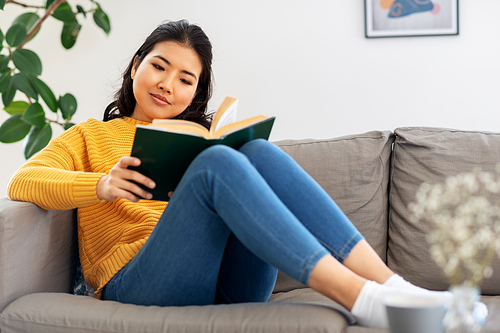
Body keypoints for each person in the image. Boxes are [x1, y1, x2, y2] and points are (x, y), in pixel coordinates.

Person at [7, 19, 448, 329]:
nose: (167, 85)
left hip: (230, 282)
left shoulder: (200, 137)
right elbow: (22, 181)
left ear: (197, 91)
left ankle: (392, 285)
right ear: (137, 64)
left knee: (254, 149)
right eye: (159, 66)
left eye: (186, 79)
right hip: (138, 282)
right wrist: (102, 184)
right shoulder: (89, 135)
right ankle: (361, 297)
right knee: (218, 163)